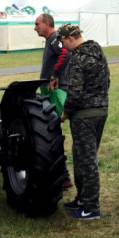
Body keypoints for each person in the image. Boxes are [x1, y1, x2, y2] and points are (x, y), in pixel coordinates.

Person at [57, 24, 109, 220]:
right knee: (82, 158)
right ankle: (82, 198)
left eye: (62, 42)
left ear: (70, 38)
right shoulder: (99, 54)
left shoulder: (77, 59)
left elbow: (75, 93)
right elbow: (107, 82)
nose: (63, 47)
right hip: (100, 111)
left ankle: (91, 207)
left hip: (83, 115)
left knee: (86, 161)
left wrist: (65, 113)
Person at [33, 13, 73, 189]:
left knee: (52, 131)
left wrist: (54, 76)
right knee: (51, 130)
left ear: (47, 24)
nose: (35, 28)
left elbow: (65, 54)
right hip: (50, 90)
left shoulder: (56, 38)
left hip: (55, 91)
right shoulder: (51, 40)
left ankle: (63, 176)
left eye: (37, 24)